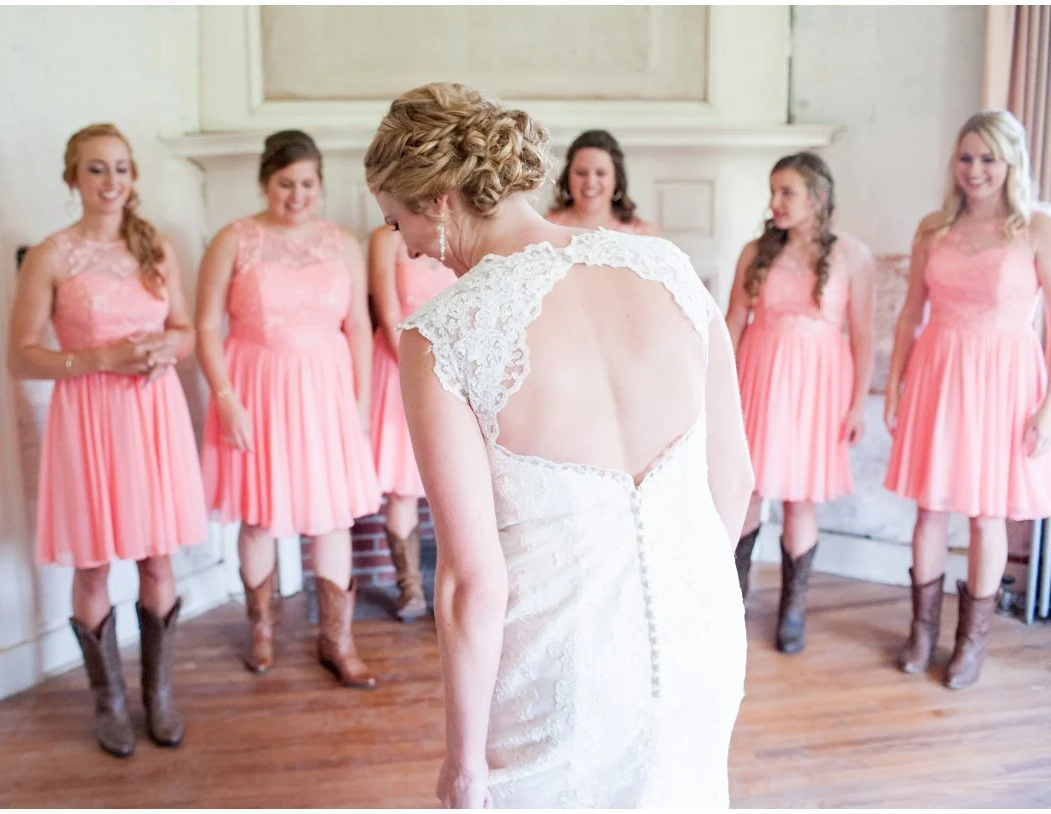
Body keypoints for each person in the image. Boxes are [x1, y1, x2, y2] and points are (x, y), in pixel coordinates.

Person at [364, 82, 754, 808]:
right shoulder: (667, 268)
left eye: (397, 220)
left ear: (440, 202)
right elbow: (732, 478)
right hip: (704, 634)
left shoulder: (442, 335)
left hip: (559, 672)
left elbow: (469, 583)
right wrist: (679, 598)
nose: (407, 247)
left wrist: (462, 762)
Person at [8, 124, 205, 757]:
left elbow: (186, 332)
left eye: (121, 168)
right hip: (87, 418)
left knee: (157, 560)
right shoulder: (51, 255)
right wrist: (102, 358)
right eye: (96, 169)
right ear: (73, 178)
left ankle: (159, 696)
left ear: (133, 176)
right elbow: (21, 356)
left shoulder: (156, 248)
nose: (111, 181)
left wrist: (165, 347)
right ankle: (109, 703)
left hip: (152, 416)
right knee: (93, 564)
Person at [884, 110, 1051, 689]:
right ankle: (922, 631)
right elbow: (910, 313)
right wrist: (895, 383)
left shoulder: (1039, 225)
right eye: (966, 158)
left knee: (986, 513)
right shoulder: (934, 228)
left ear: (1011, 161)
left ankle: (971, 643)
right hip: (938, 372)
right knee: (929, 508)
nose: (975, 170)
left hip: (1005, 381)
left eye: (988, 158)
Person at [197, 131, 380, 687]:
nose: (296, 195)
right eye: (285, 183)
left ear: (320, 186)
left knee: (332, 516)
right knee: (258, 515)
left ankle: (337, 639)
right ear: (264, 183)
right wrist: (225, 398)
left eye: (307, 184)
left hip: (327, 388)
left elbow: (360, 326)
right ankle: (262, 628)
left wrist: (361, 403)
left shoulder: (342, 243)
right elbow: (205, 327)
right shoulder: (233, 240)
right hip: (254, 386)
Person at [724, 153, 876, 653]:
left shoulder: (853, 256)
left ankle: (793, 610)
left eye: (787, 192)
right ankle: (731, 599)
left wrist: (857, 404)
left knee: (799, 497)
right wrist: (719, 389)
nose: (775, 202)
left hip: (818, 388)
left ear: (818, 197)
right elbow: (733, 322)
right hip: (758, 376)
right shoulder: (755, 252)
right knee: (747, 490)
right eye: (773, 192)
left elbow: (863, 336)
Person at [367, 225, 457, 620]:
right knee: (403, 488)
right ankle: (410, 587)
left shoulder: (459, 234)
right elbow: (387, 313)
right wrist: (416, 372)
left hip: (453, 370)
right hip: (398, 365)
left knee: (454, 483)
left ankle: (454, 588)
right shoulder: (385, 241)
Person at [545, 130, 658, 235]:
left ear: (617, 178)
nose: (590, 183)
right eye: (581, 173)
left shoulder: (643, 233)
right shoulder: (547, 227)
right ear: (567, 175)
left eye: (601, 173)